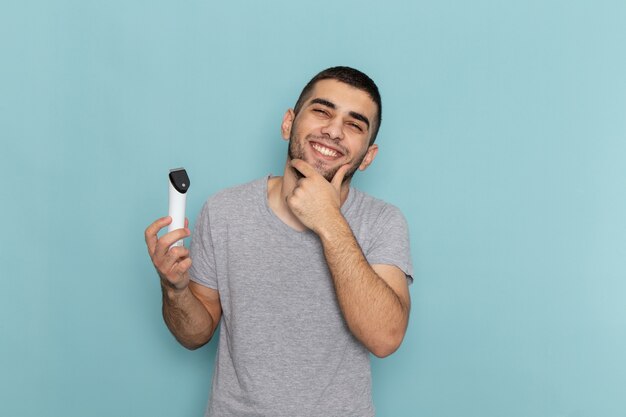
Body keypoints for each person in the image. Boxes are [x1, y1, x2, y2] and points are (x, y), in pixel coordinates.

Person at [145, 66, 413, 417]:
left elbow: (385, 338)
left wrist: (329, 221)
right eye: (322, 111)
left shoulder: (382, 222)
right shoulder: (225, 210)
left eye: (353, 124)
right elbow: (194, 335)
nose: (333, 130)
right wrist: (175, 290)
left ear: (368, 156)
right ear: (288, 123)